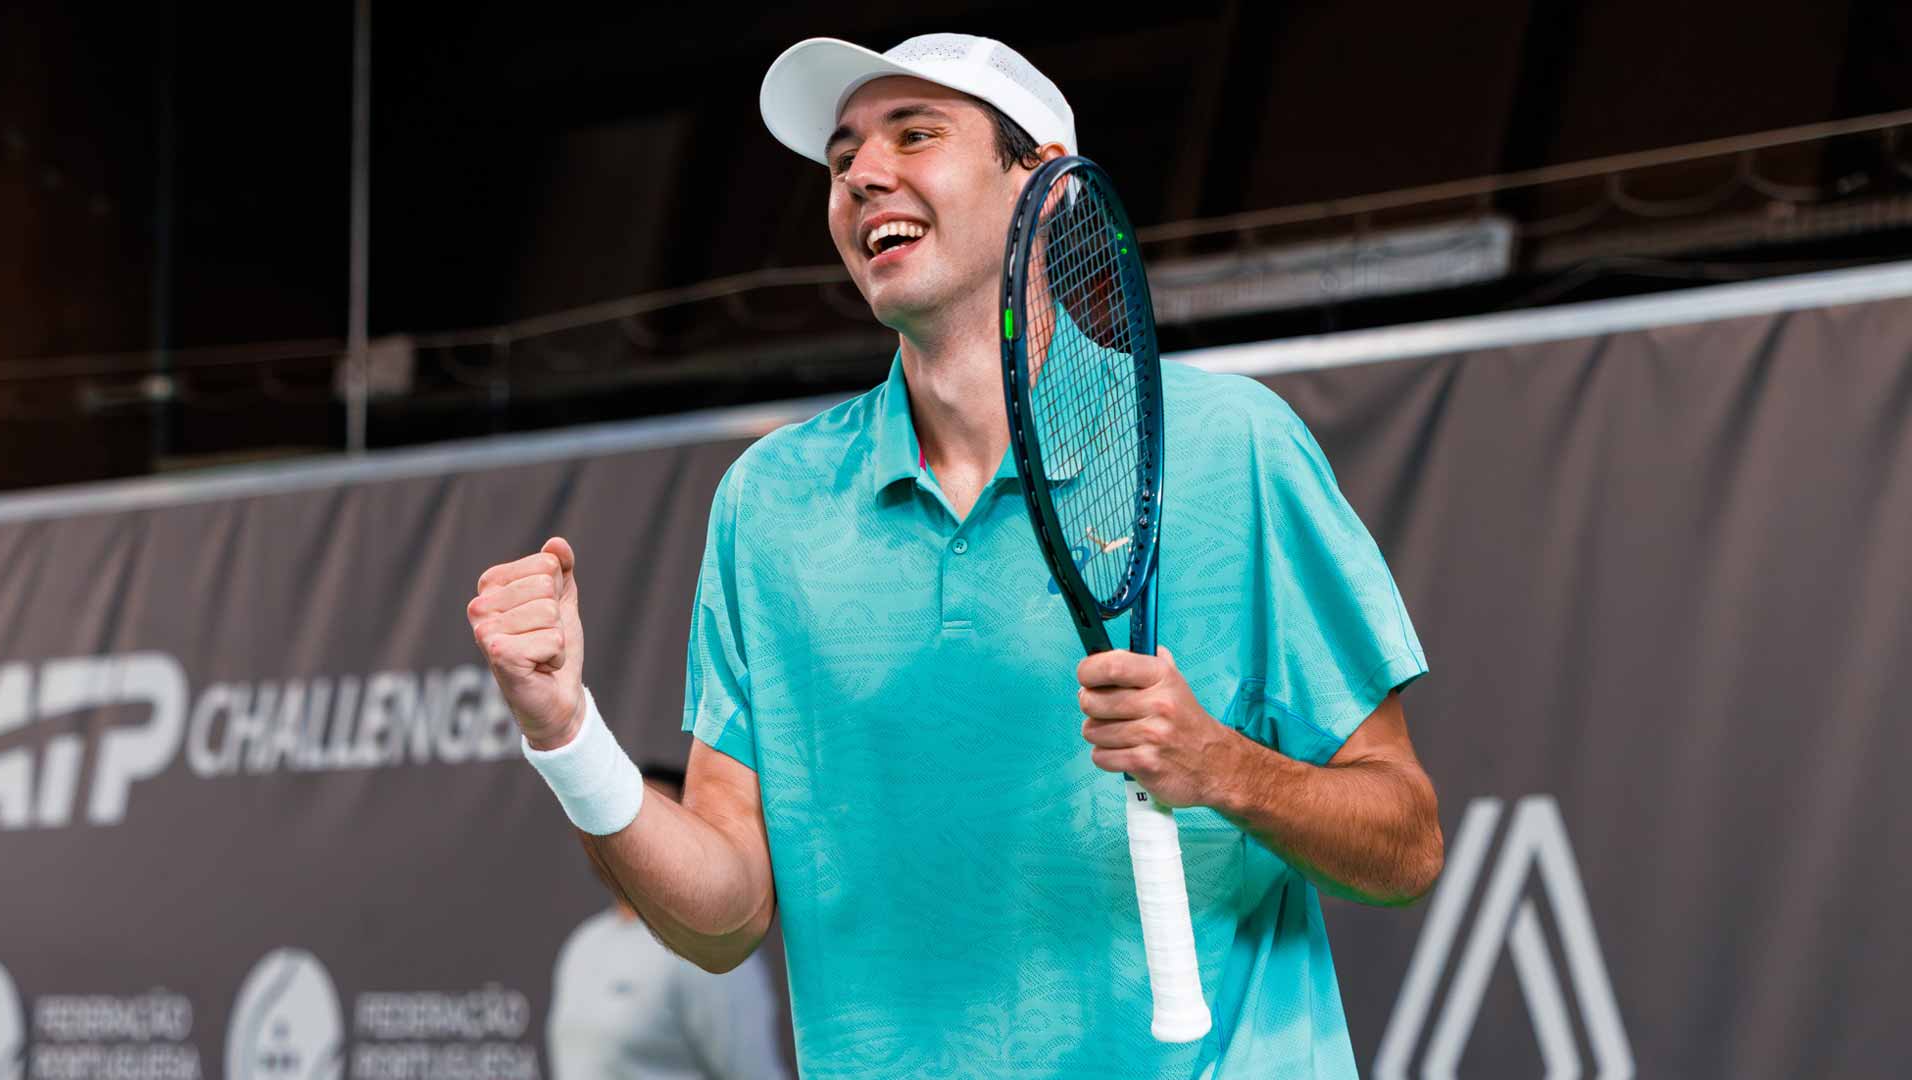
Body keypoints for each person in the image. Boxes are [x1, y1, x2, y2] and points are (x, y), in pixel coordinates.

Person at [468, 33, 1442, 1079]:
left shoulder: (1232, 446)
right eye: (841, 162)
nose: (862, 177)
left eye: (915, 134)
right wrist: (568, 736)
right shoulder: (770, 505)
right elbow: (724, 917)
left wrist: (1227, 770)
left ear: (1049, 189)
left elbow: (1406, 841)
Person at [546, 765, 790, 1080]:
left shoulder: (714, 945)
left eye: (645, 817)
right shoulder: (584, 943)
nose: (625, 831)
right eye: (617, 810)